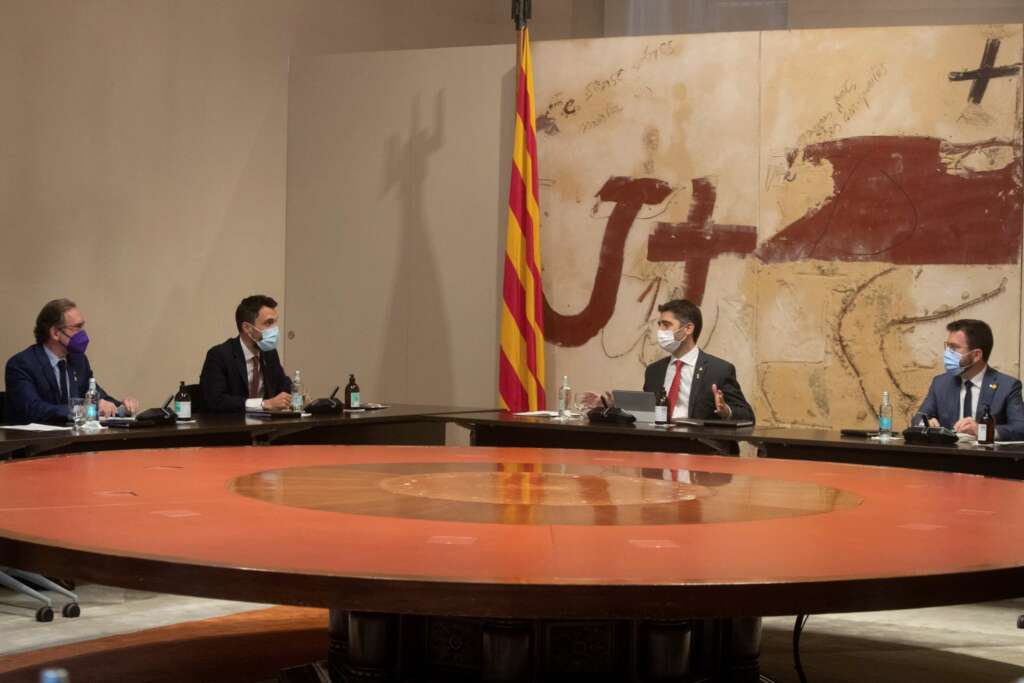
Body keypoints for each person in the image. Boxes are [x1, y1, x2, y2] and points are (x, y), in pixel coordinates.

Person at [4, 299, 139, 424]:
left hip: (76, 439)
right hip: (36, 445)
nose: (82, 333)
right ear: (55, 333)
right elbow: (32, 409)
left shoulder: (79, 360)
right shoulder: (21, 364)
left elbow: (97, 396)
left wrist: (121, 407)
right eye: (77, 327)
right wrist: (81, 410)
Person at [643, 299, 755, 423]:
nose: (660, 331)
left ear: (688, 328)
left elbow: (747, 416)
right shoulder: (653, 370)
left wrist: (726, 411)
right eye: (659, 325)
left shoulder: (719, 370)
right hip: (659, 439)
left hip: (698, 440)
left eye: (666, 325)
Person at [918, 319, 1024, 439]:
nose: (947, 353)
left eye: (954, 348)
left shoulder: (1008, 386)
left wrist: (982, 430)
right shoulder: (940, 383)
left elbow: (1020, 428)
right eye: (947, 346)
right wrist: (926, 424)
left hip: (987, 456)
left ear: (976, 355)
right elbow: (919, 417)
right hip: (947, 455)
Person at [200, 295, 292, 413]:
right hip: (230, 426)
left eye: (275, 322)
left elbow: (283, 386)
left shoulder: (269, 353)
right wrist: (263, 404)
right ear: (247, 328)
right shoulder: (219, 355)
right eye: (268, 323)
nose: (274, 329)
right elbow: (216, 400)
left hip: (264, 427)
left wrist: (296, 398)